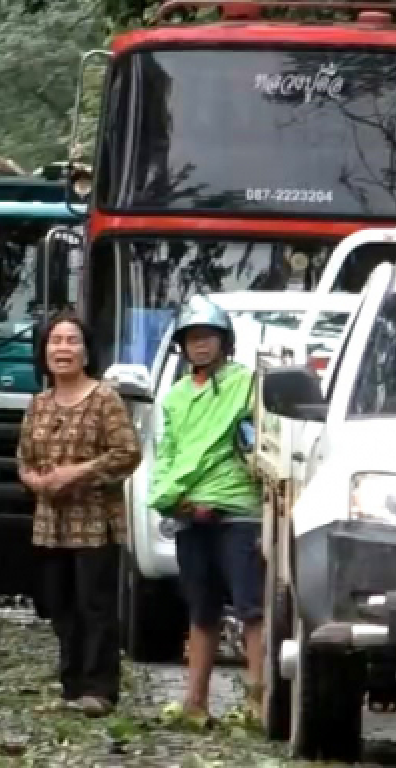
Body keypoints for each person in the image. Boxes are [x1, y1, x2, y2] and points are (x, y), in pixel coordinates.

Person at [147, 295, 265, 724]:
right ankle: (195, 703)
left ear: (224, 342)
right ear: (182, 345)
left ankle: (258, 703)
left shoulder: (248, 384)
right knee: (200, 611)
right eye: (193, 338)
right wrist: (172, 499)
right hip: (186, 509)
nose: (200, 345)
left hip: (237, 511)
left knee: (252, 609)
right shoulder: (175, 397)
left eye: (208, 337)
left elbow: (256, 444)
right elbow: (169, 454)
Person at [18, 311, 142, 718]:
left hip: (94, 523)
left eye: (72, 341)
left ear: (86, 352)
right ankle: (70, 686)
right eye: (55, 341)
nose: (63, 349)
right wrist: (37, 482)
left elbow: (128, 453)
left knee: (95, 605)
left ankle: (99, 688)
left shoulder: (105, 399)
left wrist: (78, 473)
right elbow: (24, 460)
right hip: (50, 525)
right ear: (44, 353)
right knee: (60, 606)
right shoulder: (38, 404)